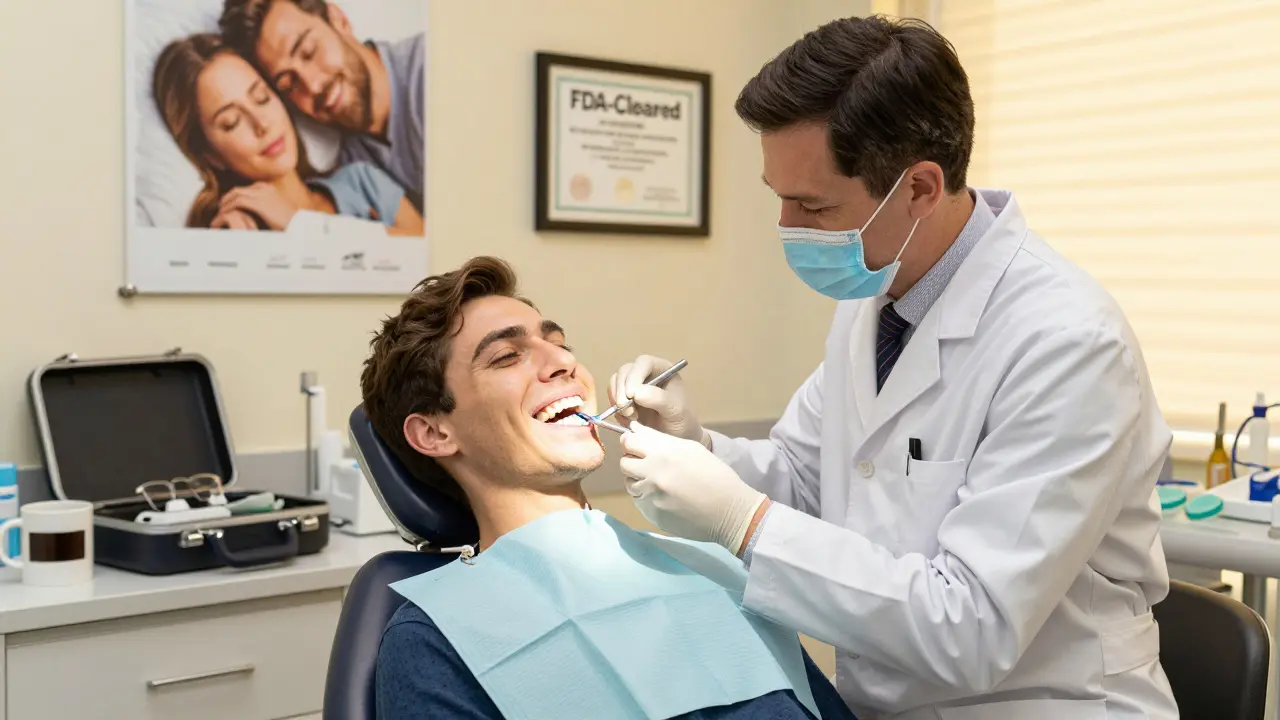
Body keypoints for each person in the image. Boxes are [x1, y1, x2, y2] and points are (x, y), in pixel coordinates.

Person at [608, 15, 1178, 720]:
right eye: (777, 196)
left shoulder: (1067, 343)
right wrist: (695, 447)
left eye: (813, 204)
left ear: (919, 188)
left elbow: (972, 625)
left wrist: (743, 525)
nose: (787, 225)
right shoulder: (876, 289)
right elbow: (806, 478)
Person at [360, 256, 857, 720]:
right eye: (507, 356)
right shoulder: (434, 639)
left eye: (559, 343)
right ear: (434, 433)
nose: (561, 363)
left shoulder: (709, 565)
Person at [152, 33, 422, 235]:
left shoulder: (361, 181)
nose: (262, 124)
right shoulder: (239, 230)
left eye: (261, 98)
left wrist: (298, 224)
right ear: (212, 156)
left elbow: (428, 259)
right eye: (232, 122)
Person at [219, 0, 424, 214]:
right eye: (289, 84)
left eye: (309, 51)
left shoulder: (433, 70)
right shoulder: (353, 169)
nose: (313, 86)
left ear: (338, 19)